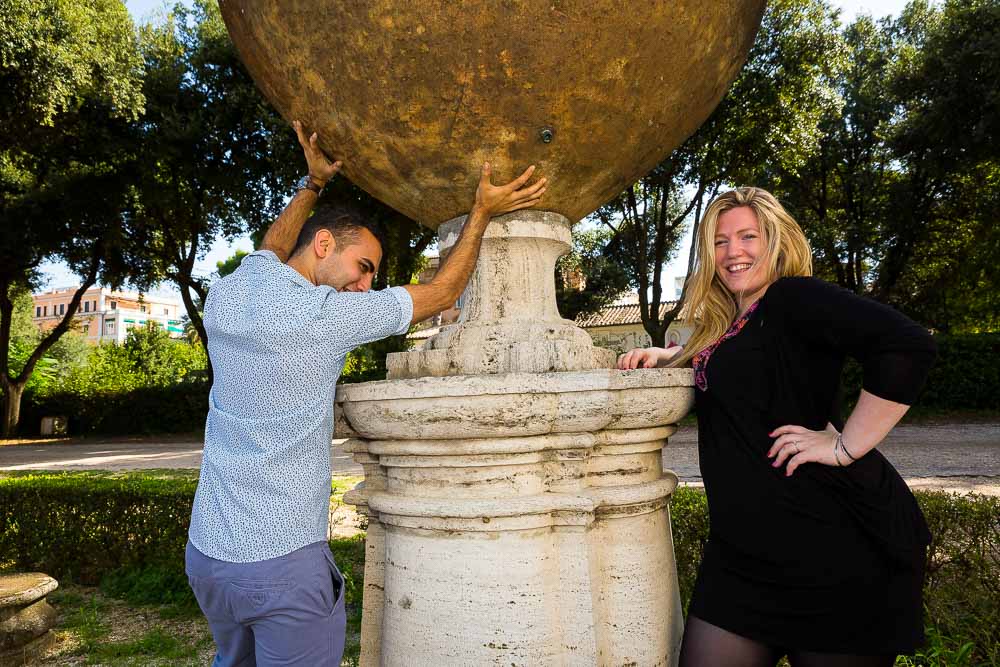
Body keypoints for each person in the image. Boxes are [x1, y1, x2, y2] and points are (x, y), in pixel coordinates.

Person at [185, 119, 546, 667]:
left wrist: (312, 185)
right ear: (325, 244)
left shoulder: (233, 290)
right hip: (282, 564)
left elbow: (273, 244)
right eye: (364, 267)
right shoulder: (324, 317)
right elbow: (444, 290)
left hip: (209, 557)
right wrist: (482, 212)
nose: (366, 285)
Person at [618, 187, 936, 667]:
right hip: (740, 558)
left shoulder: (794, 296)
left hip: (828, 554)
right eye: (720, 242)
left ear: (776, 241)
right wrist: (676, 357)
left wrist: (847, 446)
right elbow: (746, 375)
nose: (733, 252)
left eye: (748, 236)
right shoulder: (735, 322)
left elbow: (908, 345)